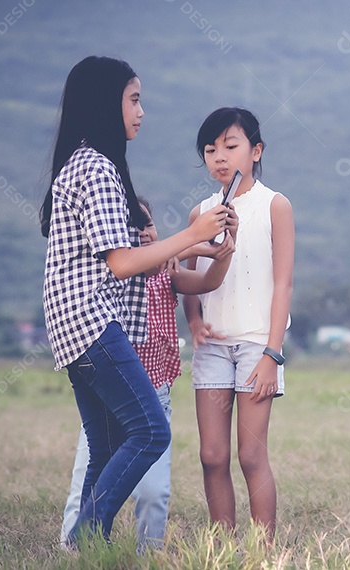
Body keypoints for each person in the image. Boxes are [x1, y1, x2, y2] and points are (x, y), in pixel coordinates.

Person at [41, 56, 234, 546]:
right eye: (133, 99)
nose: (141, 111)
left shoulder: (82, 163)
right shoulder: (98, 168)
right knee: (151, 431)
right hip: (93, 320)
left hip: (71, 326)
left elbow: (140, 259)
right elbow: (123, 263)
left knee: (106, 446)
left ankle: (79, 551)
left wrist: (197, 246)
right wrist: (193, 231)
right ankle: (86, 537)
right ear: (108, 103)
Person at [59, 199, 236, 551]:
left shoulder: (163, 273)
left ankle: (148, 554)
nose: (142, 232)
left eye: (147, 224)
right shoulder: (108, 274)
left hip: (155, 394)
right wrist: (190, 244)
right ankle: (74, 547)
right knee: (87, 481)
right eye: (131, 227)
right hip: (112, 395)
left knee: (155, 493)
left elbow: (206, 282)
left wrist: (222, 253)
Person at [183, 107, 294, 540]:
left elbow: (283, 285)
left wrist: (271, 353)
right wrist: (193, 323)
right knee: (212, 455)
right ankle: (223, 550)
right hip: (213, 346)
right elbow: (185, 278)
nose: (219, 157)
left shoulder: (274, 205)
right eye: (210, 150)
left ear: (256, 150)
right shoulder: (201, 212)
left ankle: (263, 551)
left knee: (250, 455)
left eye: (231, 146)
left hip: (255, 348)